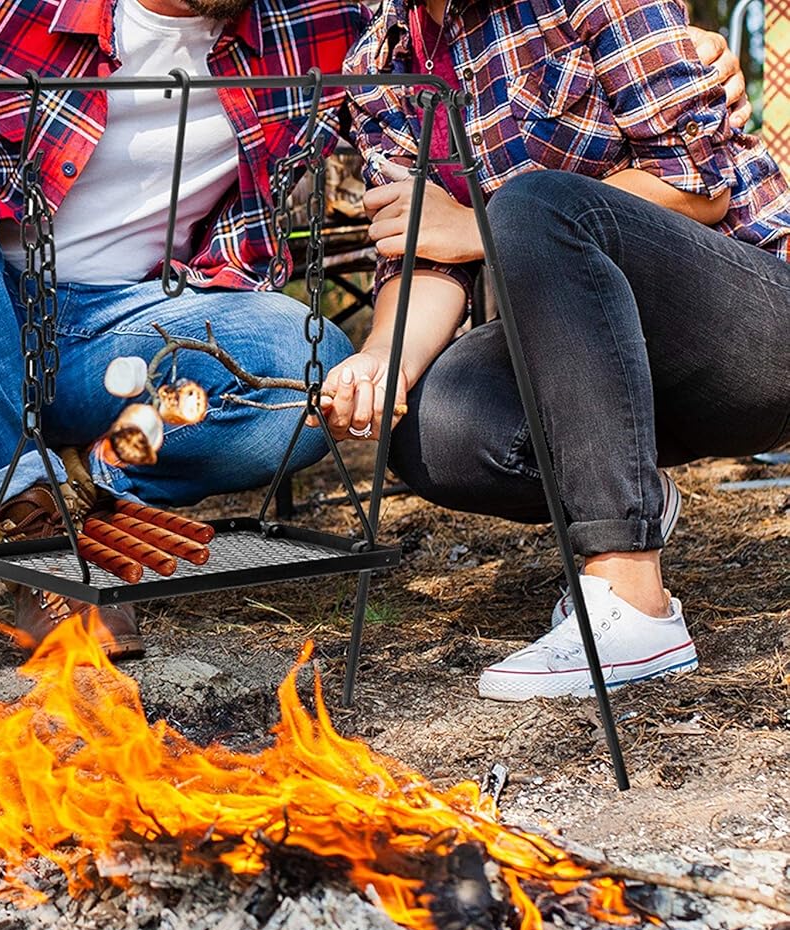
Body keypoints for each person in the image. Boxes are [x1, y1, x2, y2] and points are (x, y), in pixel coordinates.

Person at [0, 0, 748, 659]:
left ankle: (113, 492)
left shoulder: (316, 23)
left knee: (303, 357)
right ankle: (28, 518)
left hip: (129, 336)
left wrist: (692, 61)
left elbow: (461, 73)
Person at [332, 0, 790, 699]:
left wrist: (483, 224)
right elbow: (422, 250)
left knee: (535, 205)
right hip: (606, 358)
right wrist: (379, 360)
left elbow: (697, 185)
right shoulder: (380, 67)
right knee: (434, 425)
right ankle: (634, 498)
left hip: (754, 316)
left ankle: (634, 603)